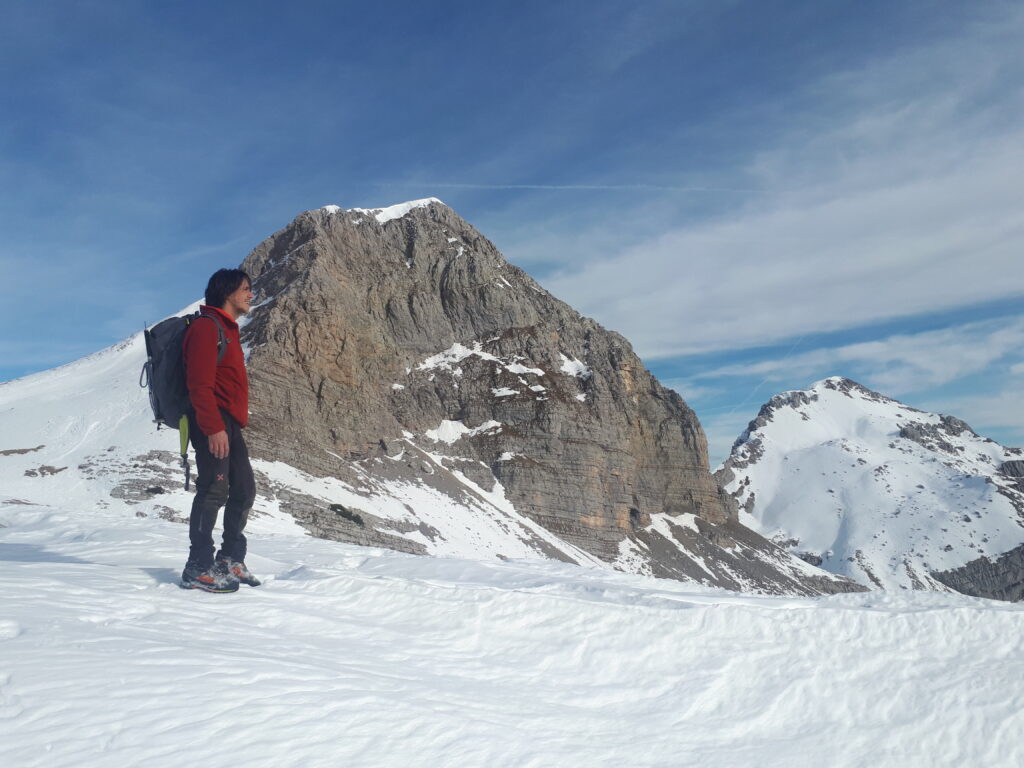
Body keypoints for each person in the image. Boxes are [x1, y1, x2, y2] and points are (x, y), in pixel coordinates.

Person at [179, 268, 260, 592]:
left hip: (229, 423)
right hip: (211, 421)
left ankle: (229, 558)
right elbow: (198, 384)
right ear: (228, 292)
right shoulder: (205, 327)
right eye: (246, 288)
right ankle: (197, 566)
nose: (250, 294)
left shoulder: (227, 330)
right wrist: (213, 428)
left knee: (244, 489)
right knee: (213, 490)